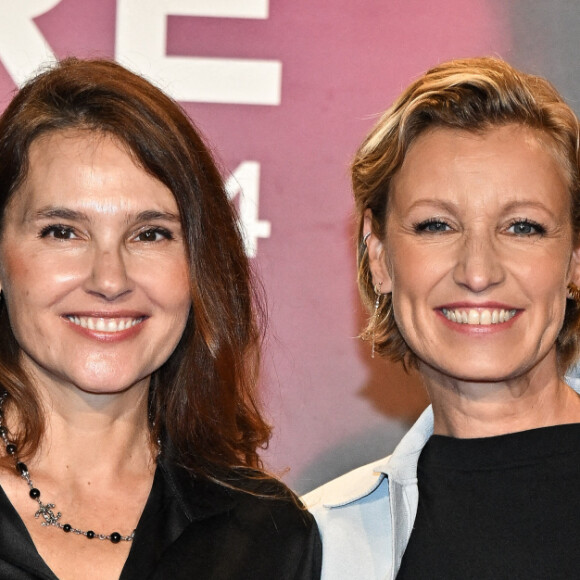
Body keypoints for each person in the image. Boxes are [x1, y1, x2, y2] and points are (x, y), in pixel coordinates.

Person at [0, 58, 321, 579]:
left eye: (150, 234)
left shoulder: (266, 536)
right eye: (63, 231)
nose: (109, 279)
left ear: (198, 265)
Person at [304, 56, 580, 579]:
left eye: (522, 227)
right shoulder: (320, 545)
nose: (478, 272)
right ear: (380, 256)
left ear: (574, 261)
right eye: (435, 225)